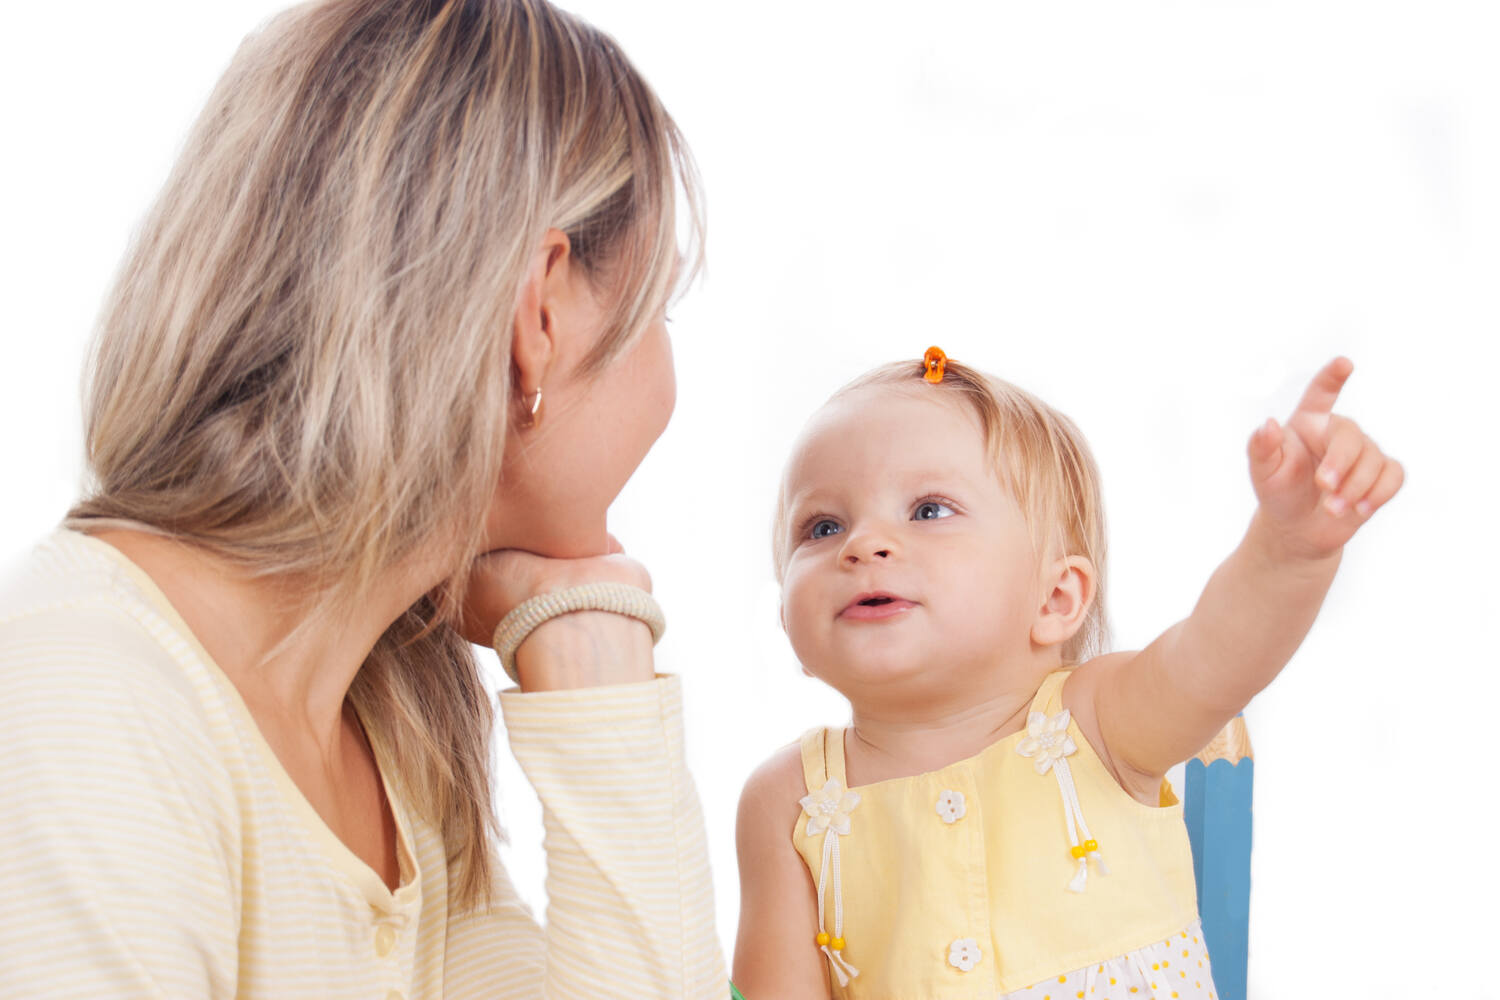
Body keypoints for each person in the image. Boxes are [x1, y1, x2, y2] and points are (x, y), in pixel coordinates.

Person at [0, 1, 727, 997]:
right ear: (541, 313)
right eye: (662, 307)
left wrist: (597, 661)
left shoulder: (390, 726)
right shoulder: (91, 693)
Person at [731, 348, 1402, 999]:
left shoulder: (1098, 720)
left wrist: (1287, 551)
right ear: (788, 619)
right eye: (821, 527)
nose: (863, 544)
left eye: (929, 510)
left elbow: (1220, 656)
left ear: (1055, 599)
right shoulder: (787, 800)